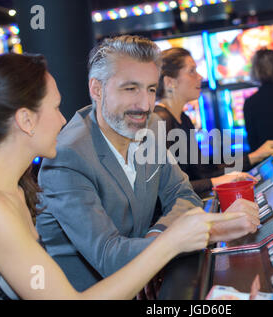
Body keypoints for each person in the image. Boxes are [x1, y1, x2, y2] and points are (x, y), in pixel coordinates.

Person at [0, 52, 245, 300]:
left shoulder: (13, 190)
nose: (63, 120)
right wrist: (174, 241)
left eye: (149, 89)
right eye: (55, 108)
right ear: (26, 120)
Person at [35, 35, 260, 292]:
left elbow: (183, 194)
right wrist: (210, 231)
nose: (144, 104)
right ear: (96, 89)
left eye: (151, 89)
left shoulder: (149, 125)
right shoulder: (68, 157)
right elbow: (110, 258)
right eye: (130, 89)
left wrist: (157, 236)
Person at [154, 47, 273, 196]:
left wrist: (255, 155)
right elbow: (163, 190)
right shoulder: (160, 120)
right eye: (192, 71)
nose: (200, 76)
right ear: (169, 82)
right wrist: (218, 181)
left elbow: (203, 172)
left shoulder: (184, 119)